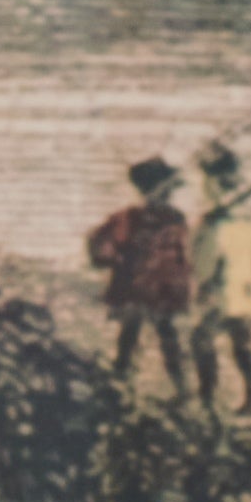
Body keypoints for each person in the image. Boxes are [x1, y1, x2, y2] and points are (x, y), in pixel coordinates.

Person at [190, 140, 251, 420]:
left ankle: (209, 397)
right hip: (241, 284)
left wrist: (205, 279)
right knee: (240, 341)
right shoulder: (239, 200)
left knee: (203, 339)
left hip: (226, 285)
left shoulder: (223, 198)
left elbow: (209, 254)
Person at [89, 157, 190, 399]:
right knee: (164, 338)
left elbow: (100, 248)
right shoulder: (175, 219)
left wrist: (114, 261)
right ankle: (181, 389)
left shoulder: (128, 218)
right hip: (161, 291)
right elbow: (183, 258)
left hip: (136, 289)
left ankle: (123, 381)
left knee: (132, 335)